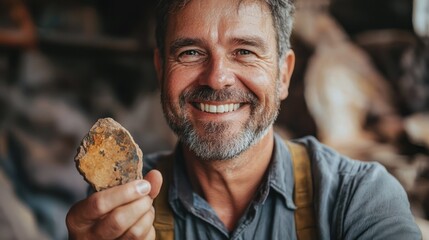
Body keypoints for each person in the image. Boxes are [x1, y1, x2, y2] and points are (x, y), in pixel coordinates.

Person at [66, 0, 422, 239]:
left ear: (283, 75)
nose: (217, 77)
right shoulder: (122, 206)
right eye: (190, 52)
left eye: (245, 52)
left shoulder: (359, 198)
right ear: (161, 70)